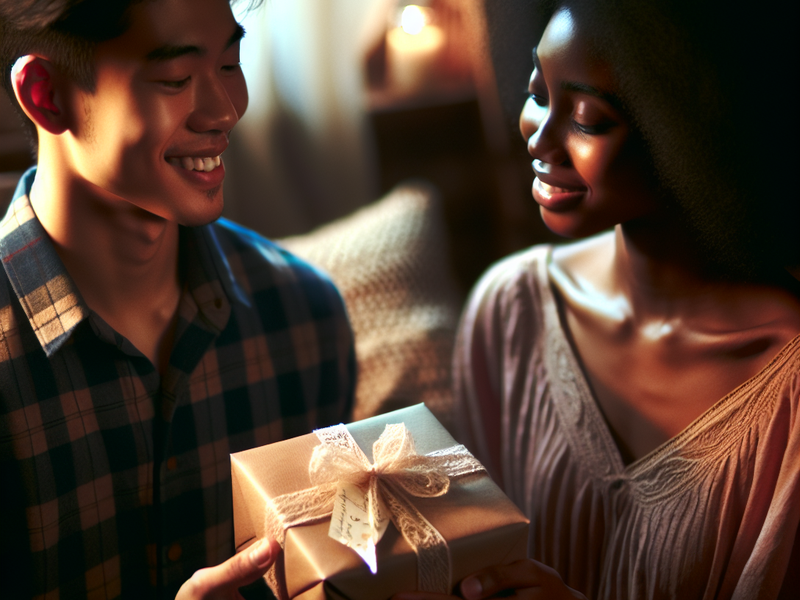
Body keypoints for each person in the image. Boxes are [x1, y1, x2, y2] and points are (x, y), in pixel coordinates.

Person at [396, 0, 800, 599]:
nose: (541, 135)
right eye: (538, 93)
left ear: (689, 132)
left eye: (586, 119)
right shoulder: (510, 312)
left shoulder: (787, 390)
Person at [0, 0, 354, 597]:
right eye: (176, 80)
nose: (225, 111)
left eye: (231, 64)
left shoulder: (304, 317)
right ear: (47, 96)